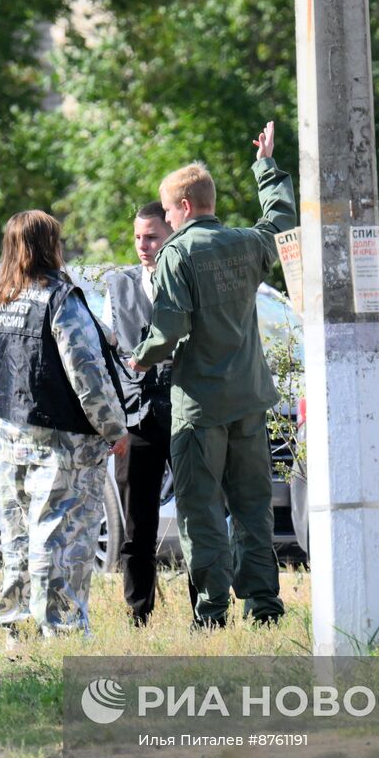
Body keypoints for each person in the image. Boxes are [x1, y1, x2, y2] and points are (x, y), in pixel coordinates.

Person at [128, 121, 296, 629]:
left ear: (180, 208)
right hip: (248, 400)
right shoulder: (248, 244)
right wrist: (265, 165)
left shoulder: (177, 253)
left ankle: (212, 612)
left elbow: (170, 326)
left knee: (201, 513)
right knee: (252, 510)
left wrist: (142, 354)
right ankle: (264, 607)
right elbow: (281, 219)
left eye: (168, 210)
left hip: (199, 407)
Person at [0, 210, 129, 639]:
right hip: (64, 441)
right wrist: (113, 428)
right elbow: (86, 371)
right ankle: (62, 628)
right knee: (61, 536)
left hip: (13, 432)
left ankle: (17, 629)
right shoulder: (60, 299)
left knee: (18, 534)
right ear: (50, 245)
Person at [102, 201, 173, 626]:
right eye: (137, 237)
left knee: (200, 519)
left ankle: (207, 613)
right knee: (136, 524)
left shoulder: (186, 278)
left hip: (184, 410)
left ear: (170, 235)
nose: (143, 246)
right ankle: (138, 611)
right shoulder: (119, 285)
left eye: (152, 237)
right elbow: (110, 352)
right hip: (136, 416)